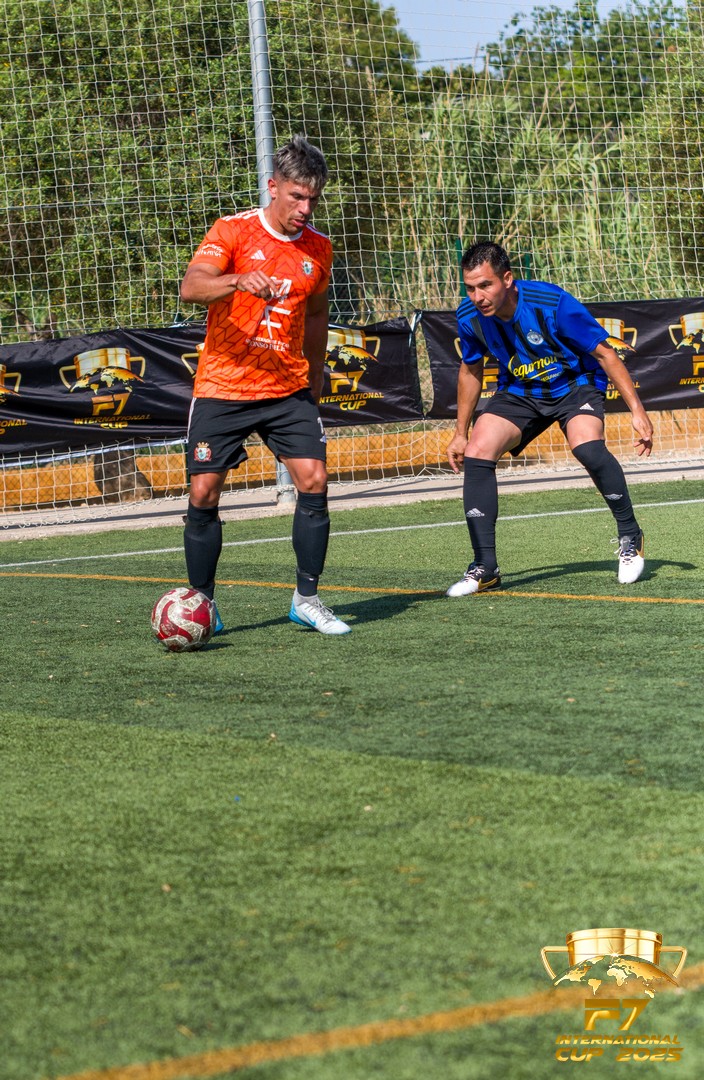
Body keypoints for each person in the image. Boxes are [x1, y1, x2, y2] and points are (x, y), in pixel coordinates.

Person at [179, 135, 351, 635]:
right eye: (297, 196)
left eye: (313, 199)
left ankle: (307, 599)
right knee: (204, 491)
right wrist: (236, 279)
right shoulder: (232, 230)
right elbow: (192, 286)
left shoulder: (319, 249)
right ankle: (202, 604)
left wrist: (314, 376)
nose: (305, 208)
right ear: (273, 187)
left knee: (314, 480)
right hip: (224, 385)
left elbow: (315, 315)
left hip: (287, 387)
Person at [445, 241, 653, 596]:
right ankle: (485, 567)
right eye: (470, 288)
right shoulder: (469, 316)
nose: (478, 296)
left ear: (507, 279)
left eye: (485, 285)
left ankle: (630, 535)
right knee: (478, 451)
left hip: (575, 384)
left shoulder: (551, 302)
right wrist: (460, 433)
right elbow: (470, 369)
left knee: (587, 447)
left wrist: (638, 411)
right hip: (520, 391)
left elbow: (605, 354)